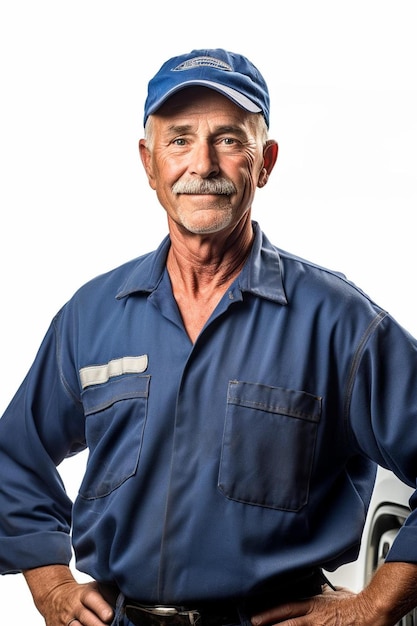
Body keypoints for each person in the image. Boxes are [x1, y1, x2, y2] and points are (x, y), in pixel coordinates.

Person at [1, 48, 417, 626]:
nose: (203, 163)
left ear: (264, 162)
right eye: (178, 140)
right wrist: (48, 585)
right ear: (148, 164)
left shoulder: (341, 323)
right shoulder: (90, 316)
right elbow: (13, 458)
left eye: (228, 139)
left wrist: (376, 606)